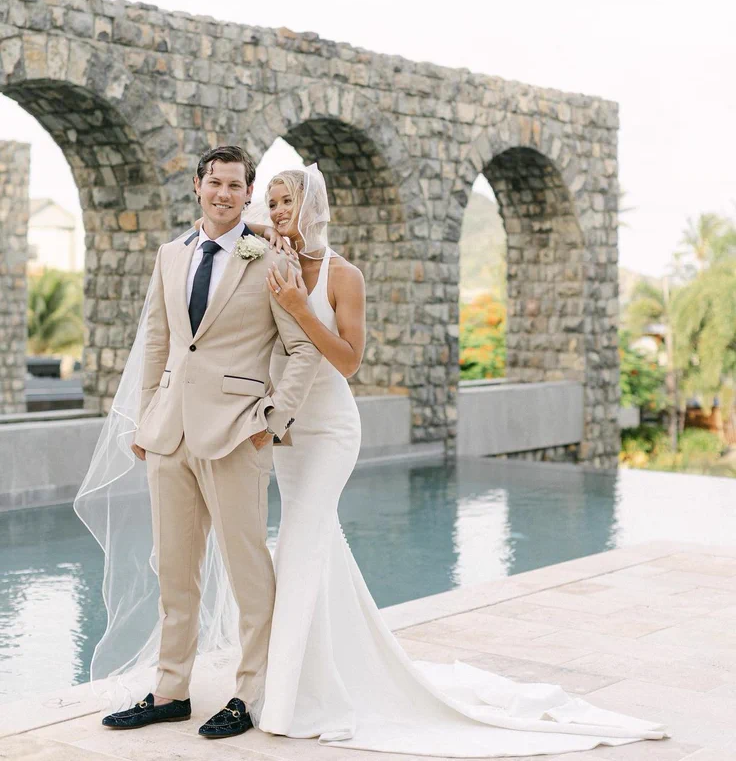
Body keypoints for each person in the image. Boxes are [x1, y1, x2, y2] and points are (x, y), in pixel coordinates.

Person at [236, 166, 668, 755]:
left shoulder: (344, 276)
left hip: (332, 428)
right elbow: (239, 229)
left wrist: (302, 309)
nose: (278, 210)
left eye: (288, 201)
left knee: (301, 545)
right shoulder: (273, 262)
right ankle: (312, 676)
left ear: (313, 206)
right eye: (273, 201)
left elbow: (348, 361)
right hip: (290, 430)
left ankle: (301, 697)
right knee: (310, 548)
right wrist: (266, 232)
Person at [93, 145, 321, 738]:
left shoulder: (273, 255)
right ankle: (171, 689)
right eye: (214, 182)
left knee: (247, 571)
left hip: (236, 434)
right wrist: (145, 419)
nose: (224, 193)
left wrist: (273, 420)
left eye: (235, 185)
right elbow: (158, 341)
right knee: (175, 570)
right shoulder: (171, 255)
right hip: (169, 435)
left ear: (249, 194)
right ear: (198, 186)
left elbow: (301, 349)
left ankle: (251, 694)